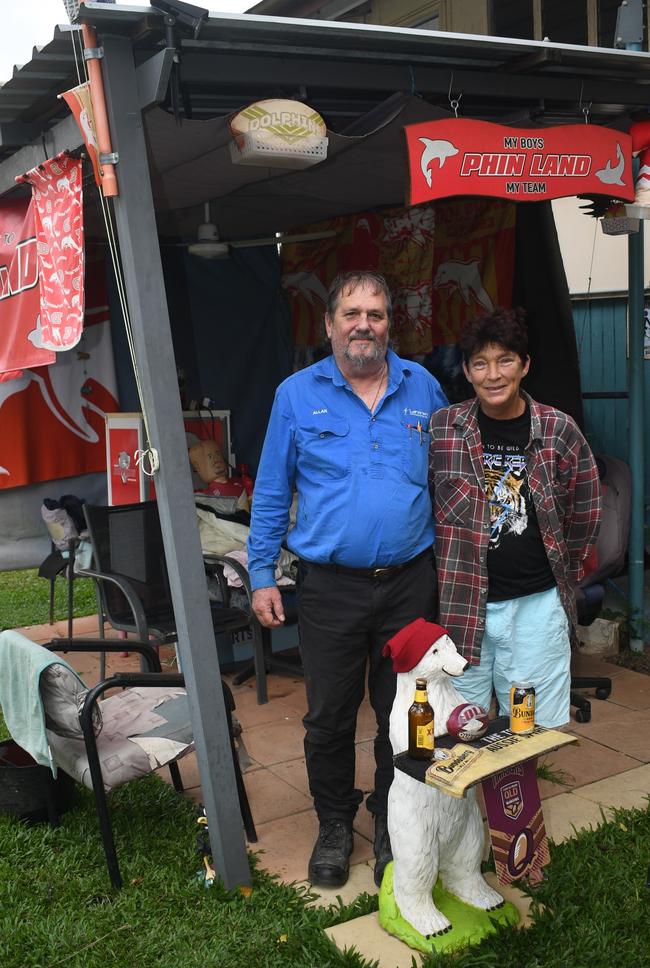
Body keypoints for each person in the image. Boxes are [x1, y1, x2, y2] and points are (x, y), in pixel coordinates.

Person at [248, 270, 448, 888]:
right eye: (353, 313)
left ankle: (393, 818)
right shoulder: (295, 394)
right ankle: (334, 823)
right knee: (330, 715)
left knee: (404, 713)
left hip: (411, 582)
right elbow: (273, 490)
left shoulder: (425, 388)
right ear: (330, 324)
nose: (365, 324)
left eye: (378, 314)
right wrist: (261, 574)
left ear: (391, 323)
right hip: (330, 587)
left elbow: (449, 484)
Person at [429, 307, 601, 728]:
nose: (493, 375)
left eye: (505, 360)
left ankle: (517, 796)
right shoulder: (443, 430)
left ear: (525, 365)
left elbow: (586, 509)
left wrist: (566, 570)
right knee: (459, 726)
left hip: (536, 608)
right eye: (480, 363)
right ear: (467, 372)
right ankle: (472, 797)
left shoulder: (559, 430)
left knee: (529, 726)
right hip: (464, 607)